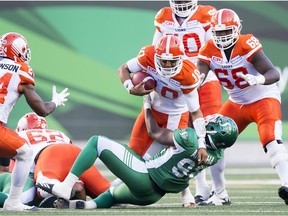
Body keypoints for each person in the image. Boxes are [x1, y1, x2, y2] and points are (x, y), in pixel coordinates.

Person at [35, 94, 238, 209]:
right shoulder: (215, 155)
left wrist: (147, 105)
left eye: (213, 124)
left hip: (145, 177)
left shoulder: (191, 139)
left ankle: (65, 186)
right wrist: (186, 196)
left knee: (97, 142)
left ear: (213, 133)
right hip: (152, 195)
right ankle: (83, 207)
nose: (209, 122)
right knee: (112, 194)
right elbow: (178, 163)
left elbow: (155, 132)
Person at [196, 8, 288, 205]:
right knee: (213, 140)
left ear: (236, 29)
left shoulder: (246, 43)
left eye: (226, 31)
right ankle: (220, 193)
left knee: (271, 140)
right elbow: (199, 76)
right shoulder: (208, 49)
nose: (222, 36)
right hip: (236, 103)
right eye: (218, 32)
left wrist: (257, 79)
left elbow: (274, 73)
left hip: (263, 98)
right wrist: (192, 82)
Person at [118, 34, 207, 207]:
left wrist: (201, 143)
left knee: (176, 156)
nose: (167, 65)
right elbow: (122, 69)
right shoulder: (148, 55)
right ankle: (122, 189)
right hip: (153, 108)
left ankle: (185, 192)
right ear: (156, 57)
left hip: (177, 114)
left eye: (172, 61)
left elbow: (196, 112)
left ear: (180, 58)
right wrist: (130, 88)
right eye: (163, 61)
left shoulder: (188, 75)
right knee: (132, 153)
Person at [152, 0, 223, 204]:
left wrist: (199, 76)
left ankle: (220, 189)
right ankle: (201, 186)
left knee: (212, 133)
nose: (182, 3)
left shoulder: (207, 15)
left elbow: (213, 51)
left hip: (205, 78)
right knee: (190, 136)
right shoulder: (163, 16)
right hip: (177, 80)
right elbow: (155, 49)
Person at [0, 32, 70, 211]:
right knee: (25, 153)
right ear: (18, 51)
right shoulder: (21, 69)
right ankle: (13, 202)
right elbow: (42, 110)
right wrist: (55, 102)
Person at [12, 112, 111, 207]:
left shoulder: (21, 135)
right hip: (77, 153)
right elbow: (66, 164)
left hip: (49, 155)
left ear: (21, 128)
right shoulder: (59, 133)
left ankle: (70, 189)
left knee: (41, 189)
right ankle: (76, 187)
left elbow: (16, 168)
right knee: (110, 192)